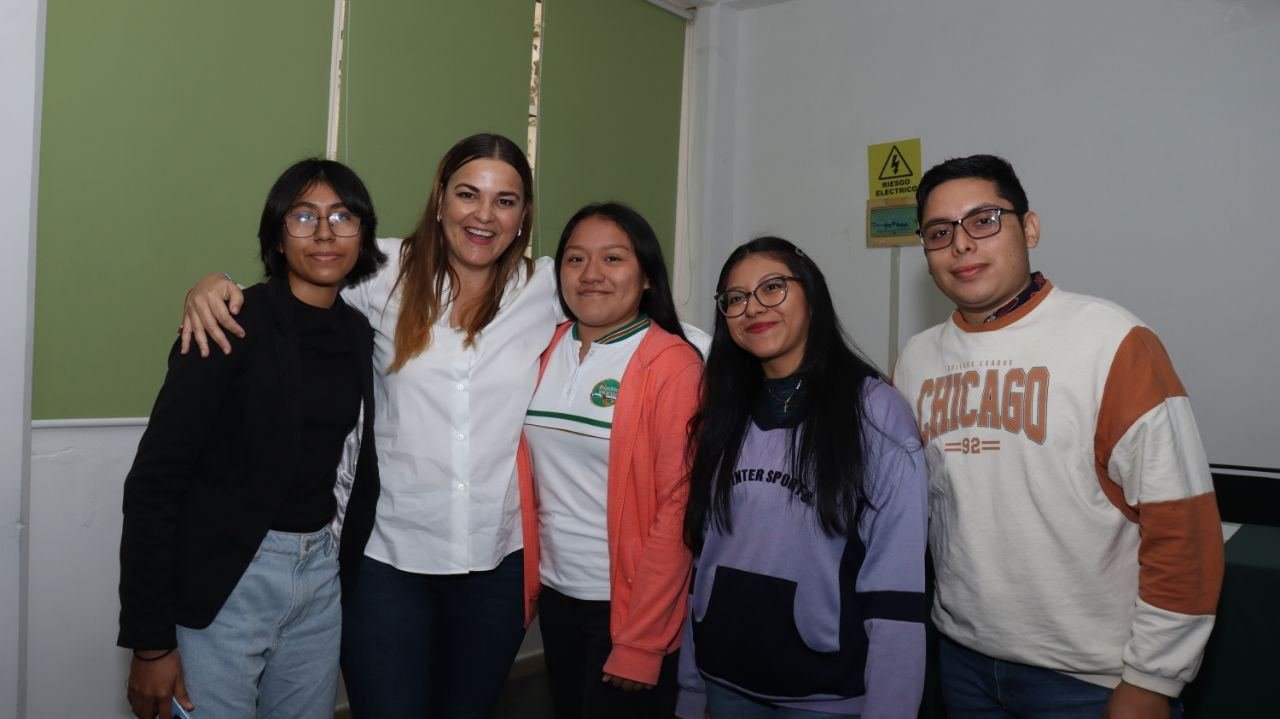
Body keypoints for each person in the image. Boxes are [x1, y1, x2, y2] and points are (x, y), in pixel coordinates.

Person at [180, 134, 560, 717]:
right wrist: (214, 284)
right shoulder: (382, 271)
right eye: (468, 194)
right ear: (440, 199)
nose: (484, 215)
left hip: (495, 564)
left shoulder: (544, 288)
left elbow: (623, 297)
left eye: (504, 201)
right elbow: (297, 274)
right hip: (388, 561)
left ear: (524, 214)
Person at [893, 154, 1224, 718]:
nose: (962, 244)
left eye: (984, 220)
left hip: (1093, 680)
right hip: (963, 663)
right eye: (939, 232)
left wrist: (1153, 680)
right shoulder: (916, 361)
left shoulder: (1112, 341)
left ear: (1030, 228)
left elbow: (1183, 528)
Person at [118, 158, 385, 719]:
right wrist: (151, 642)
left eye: (342, 217)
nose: (324, 232)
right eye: (303, 216)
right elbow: (154, 483)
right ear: (277, 236)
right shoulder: (229, 322)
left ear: (363, 235)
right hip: (227, 578)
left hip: (320, 576)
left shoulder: (359, 333)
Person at [677, 237, 928, 718]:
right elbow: (702, 558)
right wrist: (690, 689)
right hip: (723, 681)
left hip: (826, 696)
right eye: (736, 298)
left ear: (811, 295)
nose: (754, 307)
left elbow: (897, 588)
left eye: (773, 287)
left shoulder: (874, 413)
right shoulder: (723, 411)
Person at [519, 202, 703, 718]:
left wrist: (642, 640)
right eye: (576, 259)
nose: (591, 274)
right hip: (556, 594)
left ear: (647, 277)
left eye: (613, 258)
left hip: (626, 609)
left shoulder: (671, 364)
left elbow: (678, 509)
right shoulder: (545, 346)